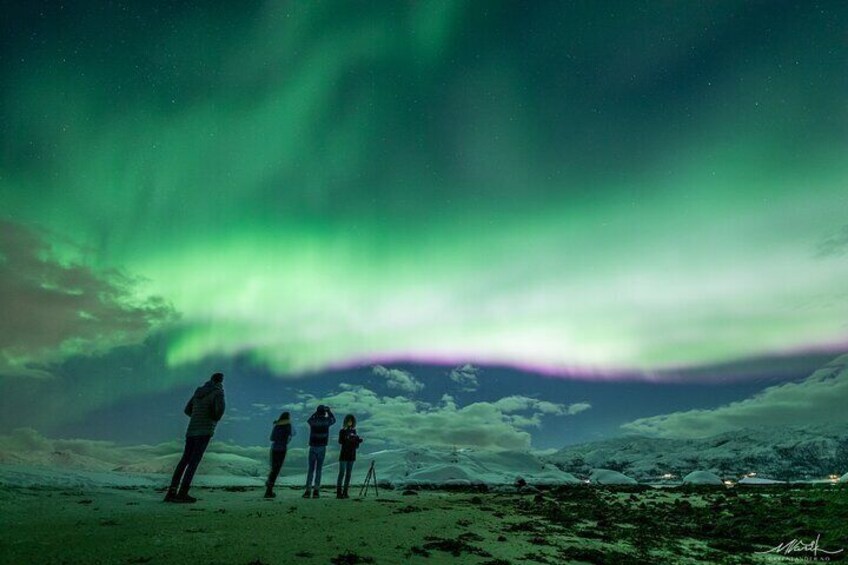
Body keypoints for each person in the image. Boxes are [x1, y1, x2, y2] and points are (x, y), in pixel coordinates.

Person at [164, 372, 226, 503]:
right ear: (220, 381)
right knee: (194, 462)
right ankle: (183, 493)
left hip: (191, 430)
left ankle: (171, 492)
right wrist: (211, 418)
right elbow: (219, 412)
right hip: (204, 430)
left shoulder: (198, 392)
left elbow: (187, 410)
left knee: (184, 460)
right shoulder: (218, 392)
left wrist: (197, 416)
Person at [304, 404, 336, 498]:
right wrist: (329, 411)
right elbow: (333, 420)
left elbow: (308, 420)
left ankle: (308, 490)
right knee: (319, 469)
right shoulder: (326, 421)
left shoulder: (313, 421)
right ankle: (316, 491)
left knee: (311, 469)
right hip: (322, 446)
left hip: (313, 446)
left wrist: (315, 413)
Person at [265, 411, 295, 498]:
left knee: (273, 469)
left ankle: (269, 488)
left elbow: (271, 438)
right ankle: (269, 490)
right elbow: (292, 434)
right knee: (276, 469)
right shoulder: (288, 426)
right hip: (282, 449)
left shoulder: (277, 426)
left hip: (274, 448)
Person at [336, 414, 363, 499]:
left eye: (351, 421)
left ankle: (345, 492)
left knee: (348, 474)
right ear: (346, 421)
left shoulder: (354, 431)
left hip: (351, 454)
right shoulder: (342, 431)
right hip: (344, 454)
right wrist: (347, 438)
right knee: (341, 473)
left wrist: (356, 440)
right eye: (348, 421)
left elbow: (356, 445)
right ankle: (339, 492)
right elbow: (340, 441)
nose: (349, 423)